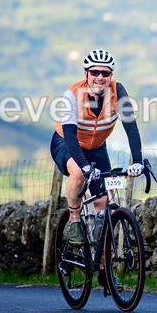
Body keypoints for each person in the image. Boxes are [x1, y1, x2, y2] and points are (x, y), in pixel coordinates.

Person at [50, 49, 144, 254]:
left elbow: (131, 127)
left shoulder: (118, 91)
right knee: (78, 175)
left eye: (105, 73)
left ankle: (104, 265)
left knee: (104, 202)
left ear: (111, 75)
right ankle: (74, 220)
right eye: (95, 72)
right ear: (86, 74)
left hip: (97, 147)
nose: (100, 77)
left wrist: (137, 161)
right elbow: (70, 135)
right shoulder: (72, 94)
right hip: (67, 144)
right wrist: (84, 167)